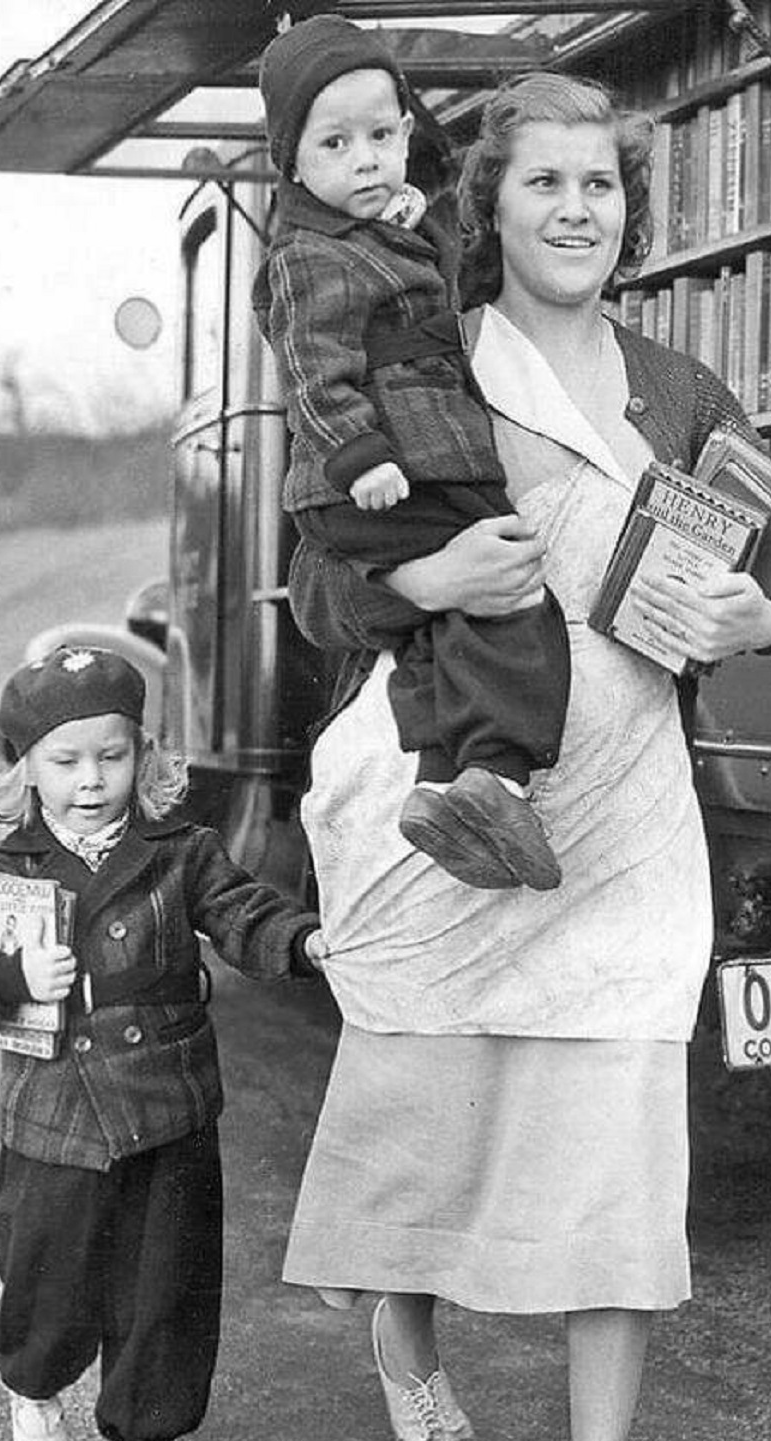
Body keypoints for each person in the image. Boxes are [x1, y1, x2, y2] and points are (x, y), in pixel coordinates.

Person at [282, 72, 771, 1441]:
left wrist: (765, 612)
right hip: (449, 802)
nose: (577, 209)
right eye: (545, 184)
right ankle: (404, 1338)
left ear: (630, 214)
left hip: (623, 815)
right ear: (493, 207)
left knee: (617, 1172)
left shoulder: (683, 395)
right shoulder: (422, 361)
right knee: (423, 1124)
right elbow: (328, 592)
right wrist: (433, 575)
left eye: (601, 185)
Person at [0, 645, 321, 1441]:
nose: (91, 780)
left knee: (164, 1288)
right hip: (54, 1116)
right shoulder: (0, 868)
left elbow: (244, 911)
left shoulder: (183, 852)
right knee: (46, 1284)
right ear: (23, 770)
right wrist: (9, 972)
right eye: (65, 762)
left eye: (113, 755)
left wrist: (303, 944)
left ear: (145, 756)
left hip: (166, 1109)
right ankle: (33, 1382)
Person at [253, 13, 570, 892]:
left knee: (456, 624)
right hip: (391, 472)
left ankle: (444, 787)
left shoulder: (379, 235)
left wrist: (409, 225)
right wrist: (359, 457)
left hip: (411, 464)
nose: (367, 159)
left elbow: (438, 290)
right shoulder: (306, 256)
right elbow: (313, 371)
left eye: (385, 136)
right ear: (295, 163)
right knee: (515, 600)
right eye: (337, 143)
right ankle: (494, 780)